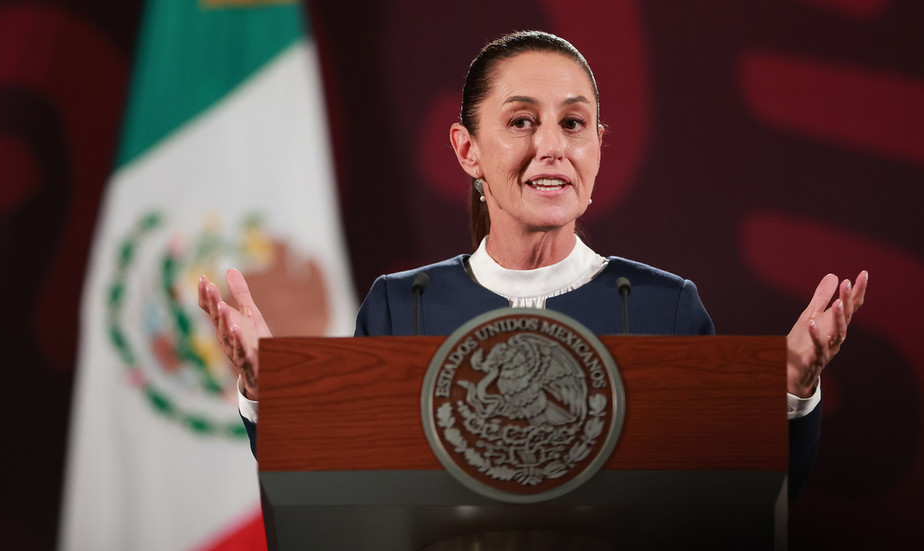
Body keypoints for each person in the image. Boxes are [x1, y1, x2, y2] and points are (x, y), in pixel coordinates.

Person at [197, 31, 868, 503]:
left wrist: (788, 387)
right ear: (467, 150)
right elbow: (340, 485)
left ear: (599, 147)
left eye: (574, 124)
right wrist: (269, 393)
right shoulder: (402, 307)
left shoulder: (666, 306)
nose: (552, 147)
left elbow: (742, 495)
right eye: (520, 122)